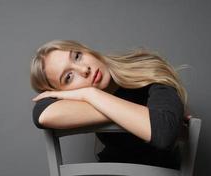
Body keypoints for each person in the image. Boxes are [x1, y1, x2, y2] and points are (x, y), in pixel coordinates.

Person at [30, 39, 191, 169]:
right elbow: (42, 114)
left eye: (77, 56)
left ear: (86, 50)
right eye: (69, 77)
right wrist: (91, 96)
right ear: (64, 93)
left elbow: (163, 132)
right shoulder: (85, 101)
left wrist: (89, 94)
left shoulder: (146, 68)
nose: (84, 70)